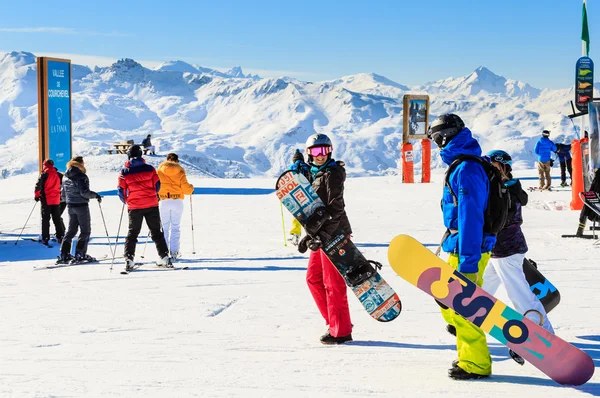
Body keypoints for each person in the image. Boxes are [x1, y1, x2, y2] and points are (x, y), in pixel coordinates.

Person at [427, 113, 496, 380]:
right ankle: (468, 352)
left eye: (436, 139)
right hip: (459, 244)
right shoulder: (464, 164)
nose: (436, 145)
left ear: (446, 136)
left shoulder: (466, 169)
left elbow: (471, 218)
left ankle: (475, 363)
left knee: (464, 307)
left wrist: (468, 263)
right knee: (448, 300)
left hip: (468, 249)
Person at [483, 150, 554, 364]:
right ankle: (466, 319)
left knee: (521, 296)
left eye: (494, 166)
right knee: (482, 290)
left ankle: (544, 338)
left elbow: (507, 217)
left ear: (504, 166)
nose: (491, 170)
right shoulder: (501, 186)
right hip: (497, 251)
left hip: (508, 250)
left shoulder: (508, 188)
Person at [295, 134, 353, 345]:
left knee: (333, 283)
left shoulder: (333, 173)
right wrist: (310, 235)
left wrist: (322, 236)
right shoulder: (313, 173)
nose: (320, 155)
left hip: (335, 234)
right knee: (313, 279)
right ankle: (335, 322)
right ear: (309, 153)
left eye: (324, 150)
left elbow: (335, 209)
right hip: (320, 234)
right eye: (315, 151)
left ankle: (341, 331)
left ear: (330, 151)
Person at [118, 144, 171, 272]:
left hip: (135, 206)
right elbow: (157, 186)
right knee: (156, 232)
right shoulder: (150, 169)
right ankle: (164, 257)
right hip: (151, 204)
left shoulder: (124, 172)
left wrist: (127, 201)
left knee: (133, 233)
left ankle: (129, 259)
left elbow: (121, 190)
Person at [58, 156, 102, 264]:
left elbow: (63, 195)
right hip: (81, 205)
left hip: (70, 205)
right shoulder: (81, 176)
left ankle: (64, 253)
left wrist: (69, 199)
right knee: (85, 230)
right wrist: (95, 195)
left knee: (71, 230)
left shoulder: (65, 177)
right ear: (80, 163)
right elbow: (84, 192)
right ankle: (80, 253)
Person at [157, 153, 194, 259]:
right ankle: (174, 252)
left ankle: (163, 253)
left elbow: (156, 185)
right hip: (177, 201)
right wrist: (192, 188)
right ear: (177, 160)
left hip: (164, 201)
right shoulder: (180, 171)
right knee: (175, 227)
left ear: (167, 159)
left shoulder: (159, 170)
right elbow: (186, 189)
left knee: (164, 228)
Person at [34, 159, 65, 245]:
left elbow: (38, 186)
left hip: (46, 200)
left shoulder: (44, 175)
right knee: (57, 219)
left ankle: (45, 237)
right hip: (56, 200)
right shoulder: (59, 175)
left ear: (45, 165)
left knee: (45, 219)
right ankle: (60, 236)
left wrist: (37, 196)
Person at [288, 149, 309, 246]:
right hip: (307, 193)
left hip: (296, 194)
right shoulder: (307, 167)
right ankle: (311, 234)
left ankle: (295, 235)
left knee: (297, 215)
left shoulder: (292, 167)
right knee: (309, 215)